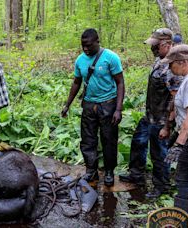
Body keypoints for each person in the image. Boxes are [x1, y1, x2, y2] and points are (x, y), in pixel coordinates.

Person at [119, 28, 181, 198]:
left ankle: (162, 186)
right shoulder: (159, 60)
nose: (152, 48)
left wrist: (167, 125)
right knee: (138, 143)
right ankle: (136, 175)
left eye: (156, 45)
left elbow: (175, 99)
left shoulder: (173, 67)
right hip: (150, 115)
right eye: (152, 45)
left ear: (167, 44)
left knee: (159, 154)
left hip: (162, 119)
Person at [61, 28, 125, 187]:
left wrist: (118, 109)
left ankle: (109, 171)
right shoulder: (80, 60)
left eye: (89, 45)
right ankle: (91, 170)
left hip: (108, 104)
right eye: (83, 45)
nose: (85, 49)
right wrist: (67, 104)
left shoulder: (111, 58)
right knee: (88, 139)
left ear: (97, 41)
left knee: (109, 140)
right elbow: (76, 82)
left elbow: (120, 82)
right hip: (89, 105)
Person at [163, 44, 188, 219]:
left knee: (183, 178)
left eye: (172, 64)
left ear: (183, 62)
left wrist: (179, 144)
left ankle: (182, 218)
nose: (170, 68)